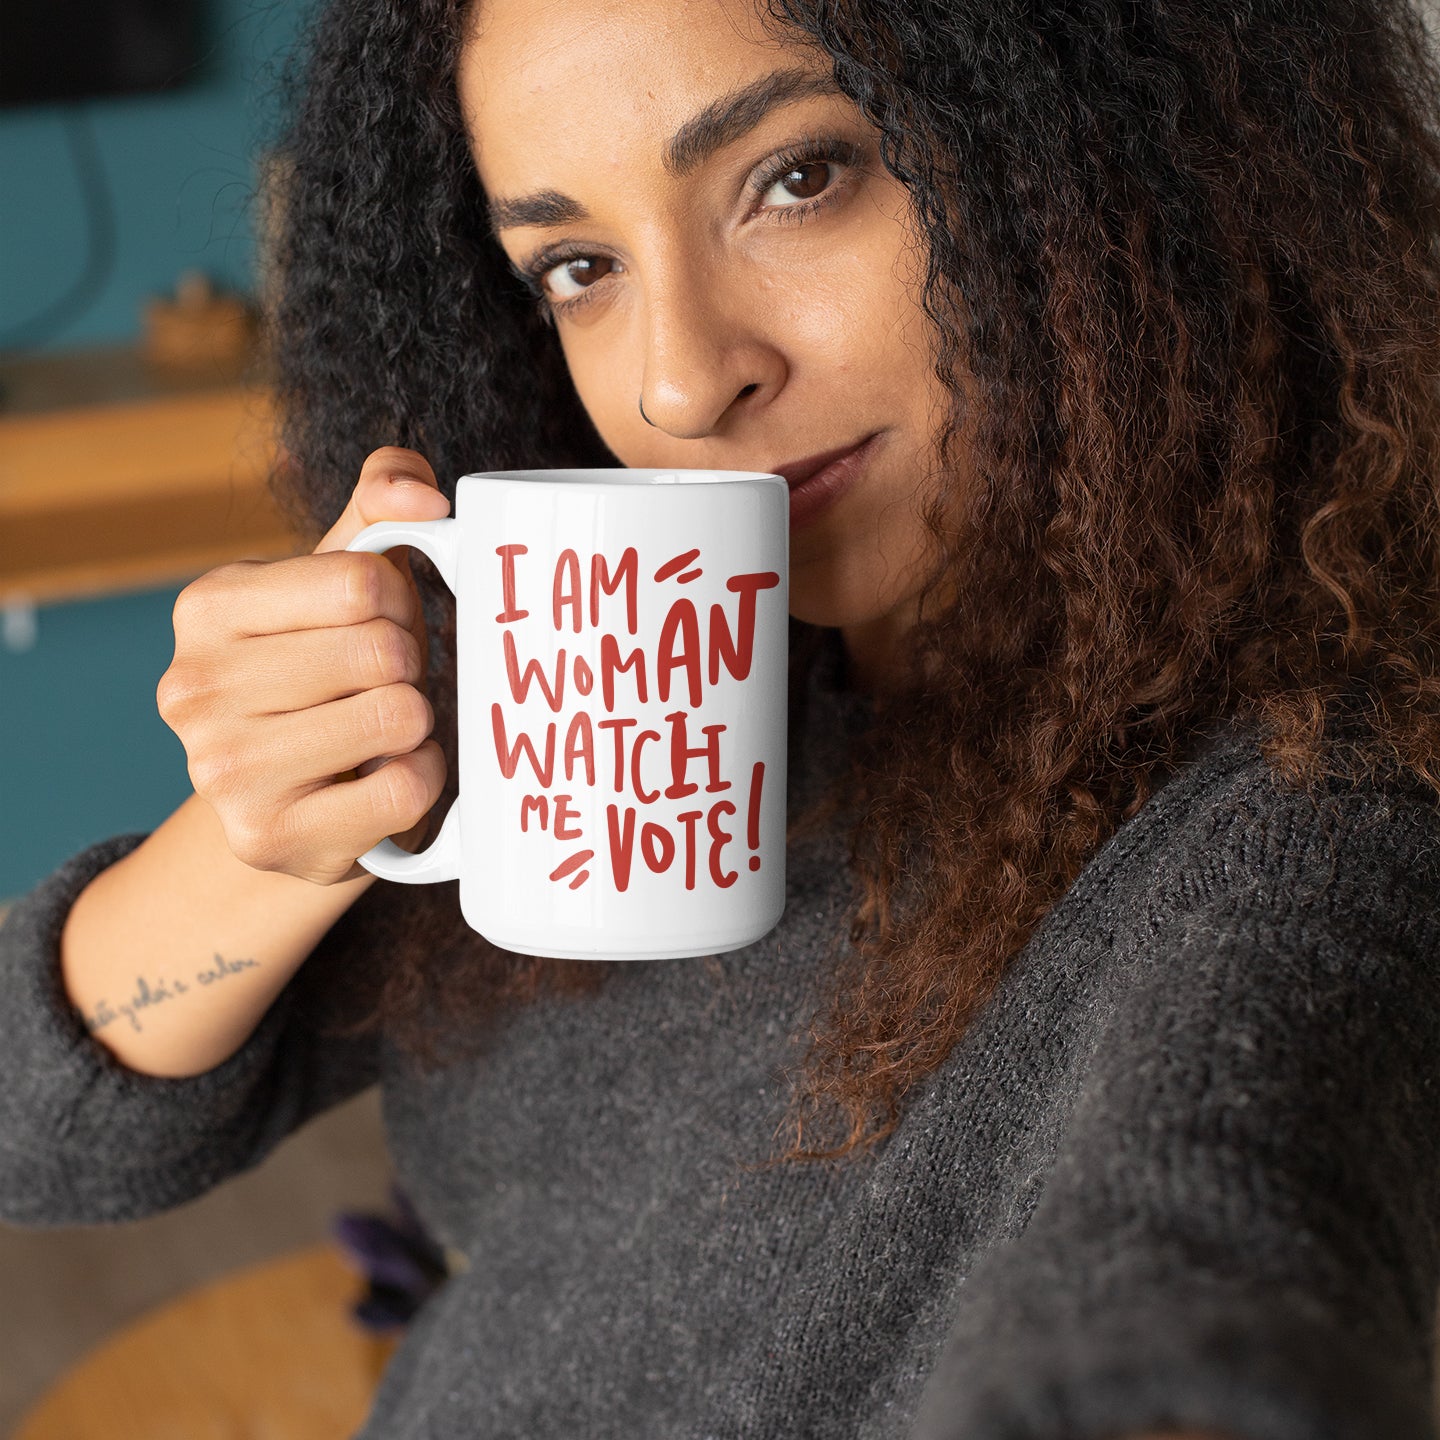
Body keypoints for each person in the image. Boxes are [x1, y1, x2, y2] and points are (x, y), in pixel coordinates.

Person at [2, 0, 1438, 1435]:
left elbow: (1204, 1293)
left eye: (798, 178)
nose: (681, 384)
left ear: (1113, 136)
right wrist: (274, 832)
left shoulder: (1307, 817)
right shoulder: (619, 685)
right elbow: (38, 1138)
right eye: (577, 268)